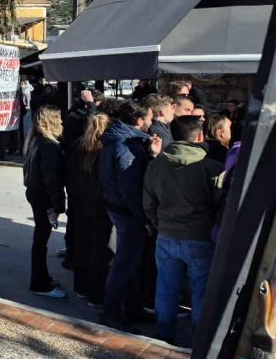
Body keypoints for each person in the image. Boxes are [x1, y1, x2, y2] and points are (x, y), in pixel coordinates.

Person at [143, 116, 223, 344]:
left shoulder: (156, 165)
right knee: (201, 291)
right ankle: (199, 339)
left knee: (166, 288)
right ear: (200, 137)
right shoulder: (212, 168)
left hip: (167, 234)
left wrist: (158, 224)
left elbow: (148, 203)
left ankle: (165, 332)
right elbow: (221, 205)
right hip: (200, 236)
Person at [100, 101, 162, 330]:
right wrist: (145, 218)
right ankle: (111, 312)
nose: (151, 122)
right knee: (125, 263)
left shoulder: (122, 141)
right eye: (149, 118)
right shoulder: (126, 147)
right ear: (138, 121)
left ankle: (132, 308)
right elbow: (131, 188)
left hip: (119, 208)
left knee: (131, 261)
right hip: (128, 212)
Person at [66, 113, 112, 305]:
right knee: (99, 250)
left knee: (83, 245)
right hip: (99, 205)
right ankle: (95, 292)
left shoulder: (77, 146)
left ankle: (81, 285)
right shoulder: (104, 149)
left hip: (79, 202)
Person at [23, 106, 67, 299]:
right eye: (58, 118)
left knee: (40, 240)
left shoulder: (35, 140)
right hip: (43, 196)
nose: (62, 122)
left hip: (36, 193)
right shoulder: (48, 145)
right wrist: (57, 206)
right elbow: (53, 180)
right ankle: (39, 283)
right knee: (41, 241)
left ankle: (42, 278)